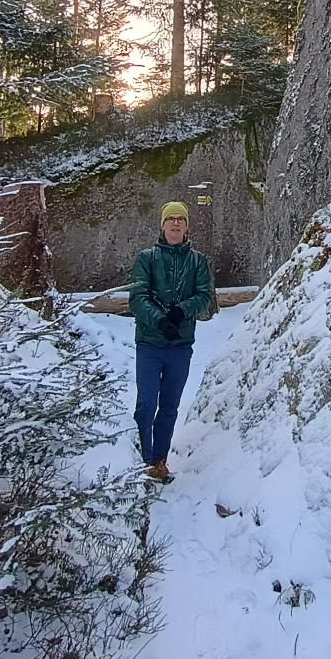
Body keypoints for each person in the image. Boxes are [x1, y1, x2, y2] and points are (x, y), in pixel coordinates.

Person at [128, 201, 214, 483]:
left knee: (169, 406)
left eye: (181, 219)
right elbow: (138, 297)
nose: (176, 223)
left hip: (180, 345)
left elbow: (204, 295)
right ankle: (142, 460)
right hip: (150, 343)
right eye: (171, 219)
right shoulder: (147, 258)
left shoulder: (198, 261)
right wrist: (159, 319)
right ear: (163, 225)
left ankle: (159, 461)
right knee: (146, 402)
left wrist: (181, 311)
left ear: (187, 226)